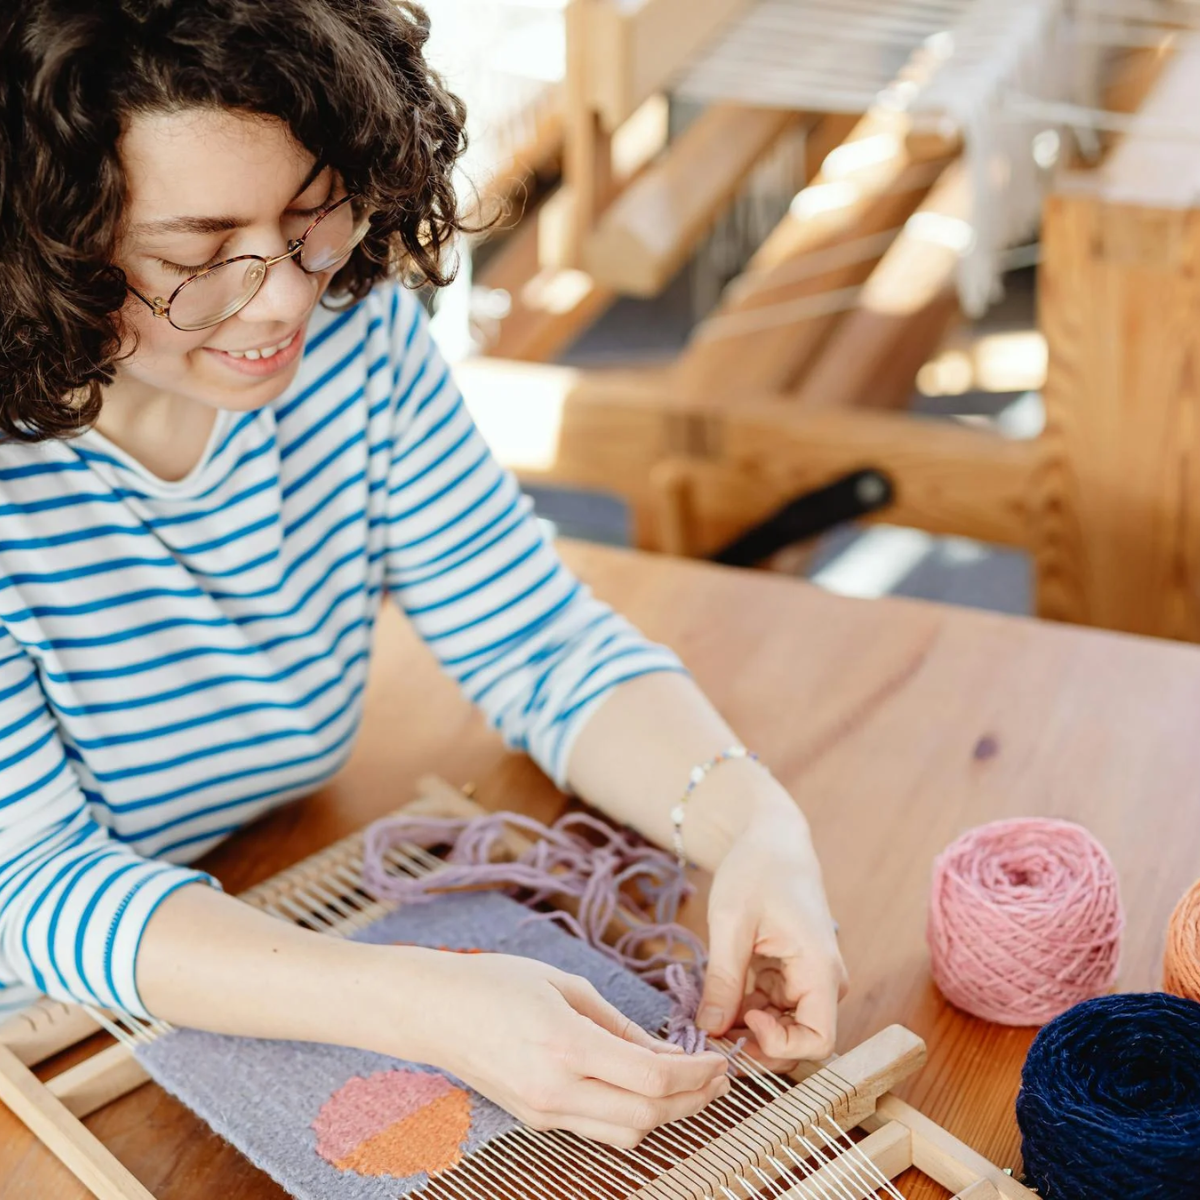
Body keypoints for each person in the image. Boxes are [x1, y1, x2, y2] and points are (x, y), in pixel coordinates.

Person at [0, 0, 845, 1149]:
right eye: (194, 260)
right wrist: (417, 1004)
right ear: (47, 241)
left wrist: (758, 830)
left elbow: (534, 641)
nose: (287, 298)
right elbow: (37, 886)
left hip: (249, 890)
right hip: (54, 1021)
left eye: (314, 218)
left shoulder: (354, 338)